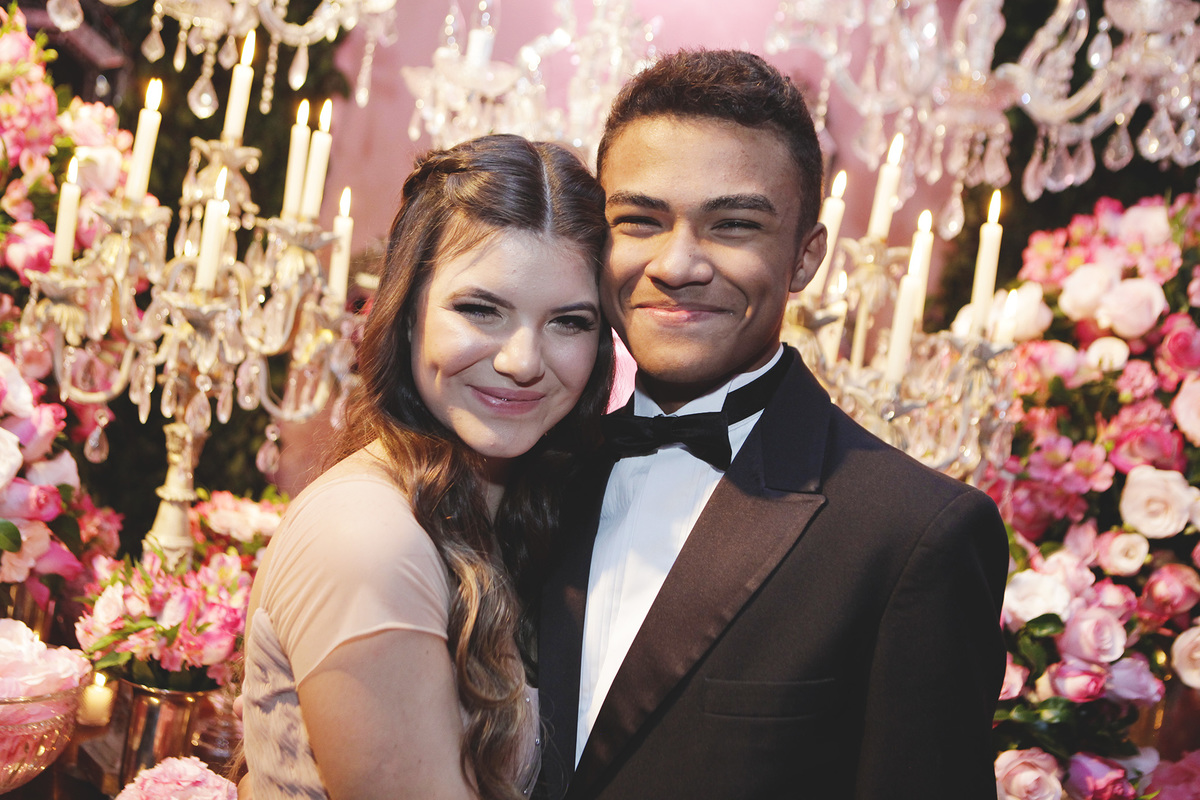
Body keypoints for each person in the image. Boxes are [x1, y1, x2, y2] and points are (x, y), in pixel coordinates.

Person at [534, 50, 1010, 799]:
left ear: (805, 258)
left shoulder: (914, 535)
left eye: (733, 225)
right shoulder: (531, 473)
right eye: (640, 221)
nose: (677, 264)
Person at [240, 133, 614, 800]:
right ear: (409, 314)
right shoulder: (368, 536)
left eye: (569, 322)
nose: (523, 361)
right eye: (481, 310)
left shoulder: (503, 513)